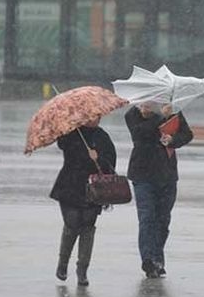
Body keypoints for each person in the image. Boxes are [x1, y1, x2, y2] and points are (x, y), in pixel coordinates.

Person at [125, 102, 193, 278]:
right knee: (147, 217)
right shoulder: (132, 115)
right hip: (142, 174)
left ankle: (157, 259)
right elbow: (140, 133)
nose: (146, 105)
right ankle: (148, 260)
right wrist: (160, 117)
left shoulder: (172, 111)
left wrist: (173, 140)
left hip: (167, 174)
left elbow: (187, 135)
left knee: (163, 220)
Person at [50, 118, 117, 286]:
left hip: (93, 189)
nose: (96, 119)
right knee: (71, 224)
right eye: (92, 115)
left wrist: (98, 158)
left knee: (88, 227)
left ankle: (82, 269)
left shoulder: (102, 137)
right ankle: (63, 263)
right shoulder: (72, 133)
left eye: (98, 116)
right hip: (69, 185)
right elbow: (63, 144)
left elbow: (110, 164)